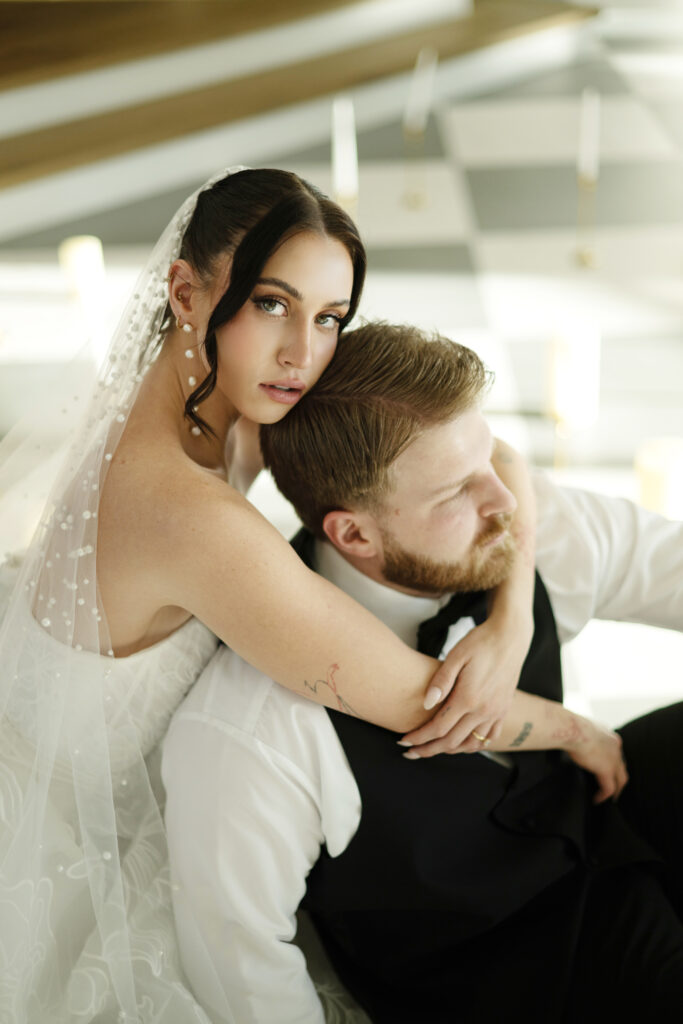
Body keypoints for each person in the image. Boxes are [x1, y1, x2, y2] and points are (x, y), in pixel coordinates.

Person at [0, 168, 538, 1022]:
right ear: (185, 291)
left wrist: (512, 620)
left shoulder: (212, 394)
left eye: (328, 317)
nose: (303, 354)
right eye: (271, 303)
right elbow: (425, 701)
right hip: (72, 827)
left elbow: (493, 451)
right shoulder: (183, 509)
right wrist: (581, 732)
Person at [162, 321, 683, 1023]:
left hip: (603, 807)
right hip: (507, 976)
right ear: (353, 533)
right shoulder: (256, 727)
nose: (503, 501)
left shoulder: (510, 526)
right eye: (456, 492)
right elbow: (244, 969)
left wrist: (513, 618)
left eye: (488, 456)